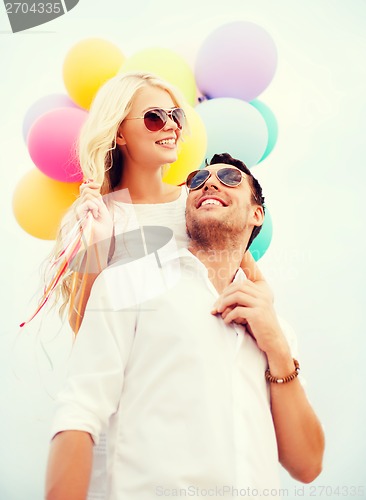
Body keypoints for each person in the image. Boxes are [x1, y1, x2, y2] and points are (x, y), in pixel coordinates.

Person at [45, 154, 325, 500]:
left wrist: (279, 351)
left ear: (257, 215)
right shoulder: (127, 283)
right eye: (196, 181)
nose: (208, 183)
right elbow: (80, 412)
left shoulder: (276, 329)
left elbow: (308, 465)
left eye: (229, 177)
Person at [50, 71, 268, 334]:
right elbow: (84, 329)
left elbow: (259, 287)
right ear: (119, 133)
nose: (172, 126)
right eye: (155, 117)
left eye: (176, 115)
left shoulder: (196, 202)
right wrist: (97, 242)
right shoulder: (96, 218)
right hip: (146, 368)